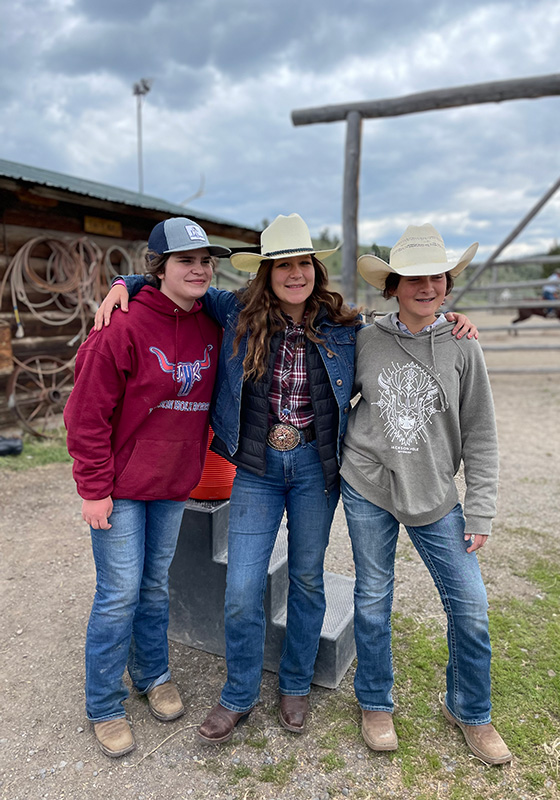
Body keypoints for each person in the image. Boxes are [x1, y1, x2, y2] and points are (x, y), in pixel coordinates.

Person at [95, 213, 478, 746]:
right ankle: (239, 693)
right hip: (256, 469)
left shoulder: (346, 326)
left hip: (314, 471)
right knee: (242, 587)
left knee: (306, 578)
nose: (294, 273)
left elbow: (408, 329)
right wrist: (124, 284)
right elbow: (177, 285)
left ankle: (295, 685)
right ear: (267, 272)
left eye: (303, 263)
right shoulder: (235, 312)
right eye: (283, 265)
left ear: (315, 269)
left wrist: (449, 319)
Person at [340, 223, 511, 765]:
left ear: (447, 283)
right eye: (412, 277)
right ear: (392, 285)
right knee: (372, 597)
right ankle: (374, 702)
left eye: (435, 276)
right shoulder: (364, 337)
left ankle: (470, 710)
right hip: (368, 484)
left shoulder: (464, 347)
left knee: (471, 606)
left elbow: (481, 431)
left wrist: (479, 506)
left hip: (435, 492)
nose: (425, 285)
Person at [64, 218, 227, 757]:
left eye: (205, 260)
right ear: (158, 268)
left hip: (173, 484)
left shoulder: (212, 324)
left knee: (155, 588)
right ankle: (104, 704)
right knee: (118, 595)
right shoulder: (123, 326)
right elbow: (85, 414)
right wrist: (92, 488)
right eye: (186, 261)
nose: (199, 269)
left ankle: (152, 674)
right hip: (121, 487)